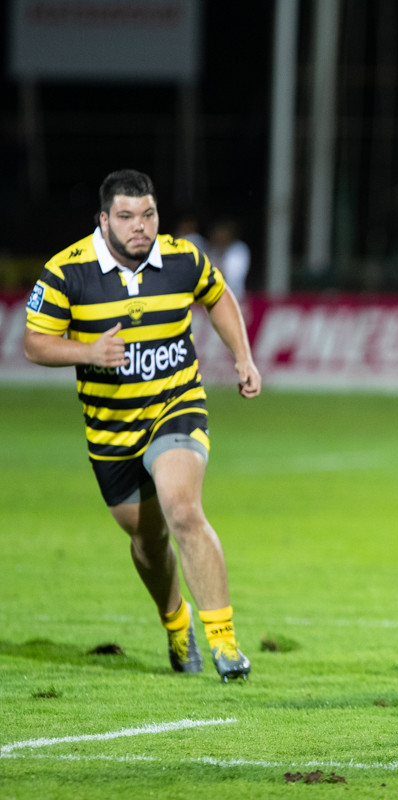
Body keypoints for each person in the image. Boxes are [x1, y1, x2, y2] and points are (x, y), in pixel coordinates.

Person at [24, 169, 262, 682]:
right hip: (111, 431)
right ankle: (177, 623)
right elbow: (35, 342)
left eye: (148, 214)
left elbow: (217, 296)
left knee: (182, 507)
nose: (140, 227)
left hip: (175, 404)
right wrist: (87, 351)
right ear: (104, 219)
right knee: (146, 538)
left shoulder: (182, 258)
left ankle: (224, 643)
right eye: (127, 217)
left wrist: (242, 356)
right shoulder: (66, 271)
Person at [206, 218, 251, 300]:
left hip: (235, 298)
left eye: (222, 234)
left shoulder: (238, 249)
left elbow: (233, 278)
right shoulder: (212, 251)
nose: (219, 237)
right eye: (216, 234)